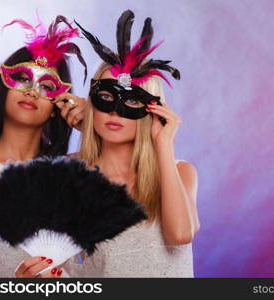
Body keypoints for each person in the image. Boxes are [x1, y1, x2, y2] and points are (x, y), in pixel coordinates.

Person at [70, 10, 200, 277]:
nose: (115, 112)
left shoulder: (180, 172)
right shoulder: (69, 174)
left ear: (153, 109)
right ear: (93, 101)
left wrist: (163, 145)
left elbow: (180, 234)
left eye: (131, 102)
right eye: (106, 97)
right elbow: (60, 263)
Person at [0, 14, 87, 278]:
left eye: (47, 86)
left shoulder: (76, 173)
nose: (32, 91)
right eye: (23, 78)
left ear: (57, 105)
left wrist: (92, 125)